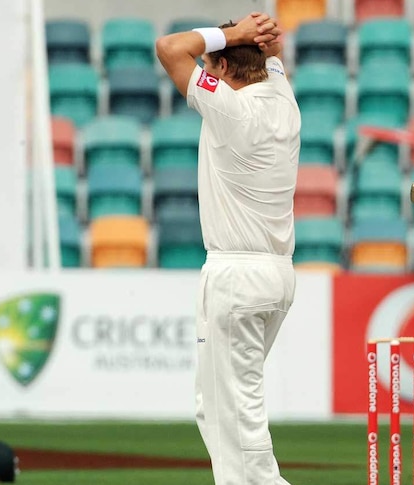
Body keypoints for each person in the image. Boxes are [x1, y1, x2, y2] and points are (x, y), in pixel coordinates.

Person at [156, 12, 300, 485]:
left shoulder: (231, 109)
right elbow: (273, 61)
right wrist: (258, 43)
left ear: (218, 67)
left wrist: (237, 35)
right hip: (275, 274)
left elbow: (170, 48)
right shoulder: (283, 99)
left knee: (236, 420)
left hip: (237, 275)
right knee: (218, 409)